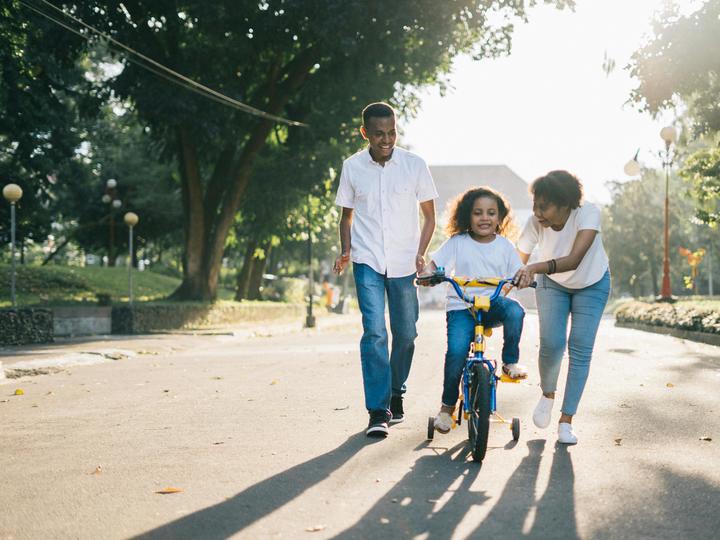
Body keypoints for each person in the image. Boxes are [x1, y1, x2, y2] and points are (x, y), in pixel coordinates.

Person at [333, 102, 438, 438]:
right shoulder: (352, 167)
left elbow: (430, 216)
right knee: (375, 332)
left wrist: (421, 253)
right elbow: (346, 216)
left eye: (392, 132)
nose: (387, 139)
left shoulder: (414, 165)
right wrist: (346, 250)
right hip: (367, 261)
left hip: (405, 262)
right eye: (379, 133)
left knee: (406, 334)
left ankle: (396, 391)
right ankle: (378, 410)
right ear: (365, 133)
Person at [419, 187, 527, 434]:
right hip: (462, 306)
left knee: (516, 312)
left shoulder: (505, 246)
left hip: (492, 304)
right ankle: (447, 408)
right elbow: (434, 265)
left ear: (500, 218)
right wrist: (428, 274)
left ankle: (510, 362)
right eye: (478, 213)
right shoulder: (458, 242)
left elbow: (518, 271)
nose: (485, 218)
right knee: (457, 352)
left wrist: (522, 277)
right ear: (468, 216)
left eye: (491, 213)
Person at [514, 170, 610, 445]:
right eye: (535, 204)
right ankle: (547, 394)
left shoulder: (587, 214)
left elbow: (574, 260)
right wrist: (506, 284)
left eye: (544, 206)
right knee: (552, 344)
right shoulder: (536, 223)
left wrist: (533, 267)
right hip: (552, 284)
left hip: (592, 282)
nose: (537, 212)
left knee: (580, 347)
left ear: (566, 204)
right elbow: (517, 260)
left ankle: (566, 421)